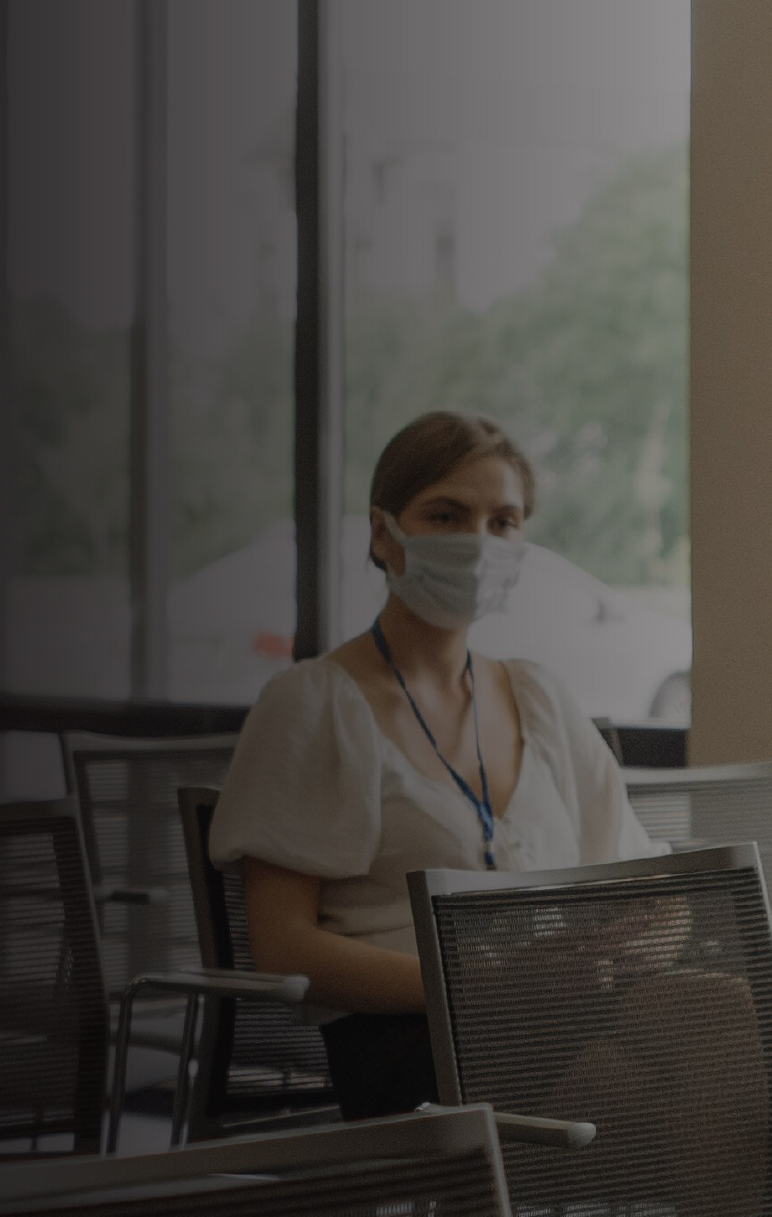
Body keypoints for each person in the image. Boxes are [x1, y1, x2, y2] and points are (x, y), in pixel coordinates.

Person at [209, 410, 657, 1120]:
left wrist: (635, 937)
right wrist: (477, 983)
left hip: (555, 1014)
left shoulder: (537, 696)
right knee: (648, 1078)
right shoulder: (313, 703)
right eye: (446, 516)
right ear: (383, 534)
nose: (477, 543)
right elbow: (283, 948)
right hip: (407, 1036)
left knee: (715, 1009)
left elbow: (643, 882)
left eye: (503, 522)